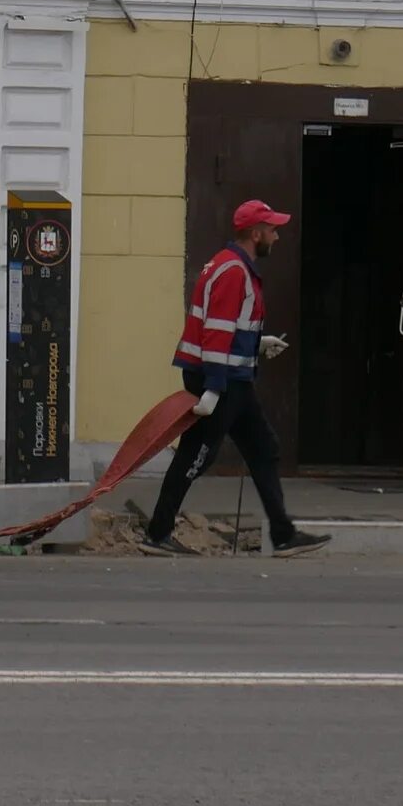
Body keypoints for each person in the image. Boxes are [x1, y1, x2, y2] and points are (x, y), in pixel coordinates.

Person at [140, 199, 329, 557]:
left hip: (231, 378)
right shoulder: (233, 272)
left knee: (264, 449)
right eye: (272, 230)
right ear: (255, 233)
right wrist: (212, 389)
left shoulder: (231, 266)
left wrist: (258, 344)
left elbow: (229, 328)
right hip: (221, 379)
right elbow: (217, 332)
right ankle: (158, 532)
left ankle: (284, 534)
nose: (276, 236)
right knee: (196, 456)